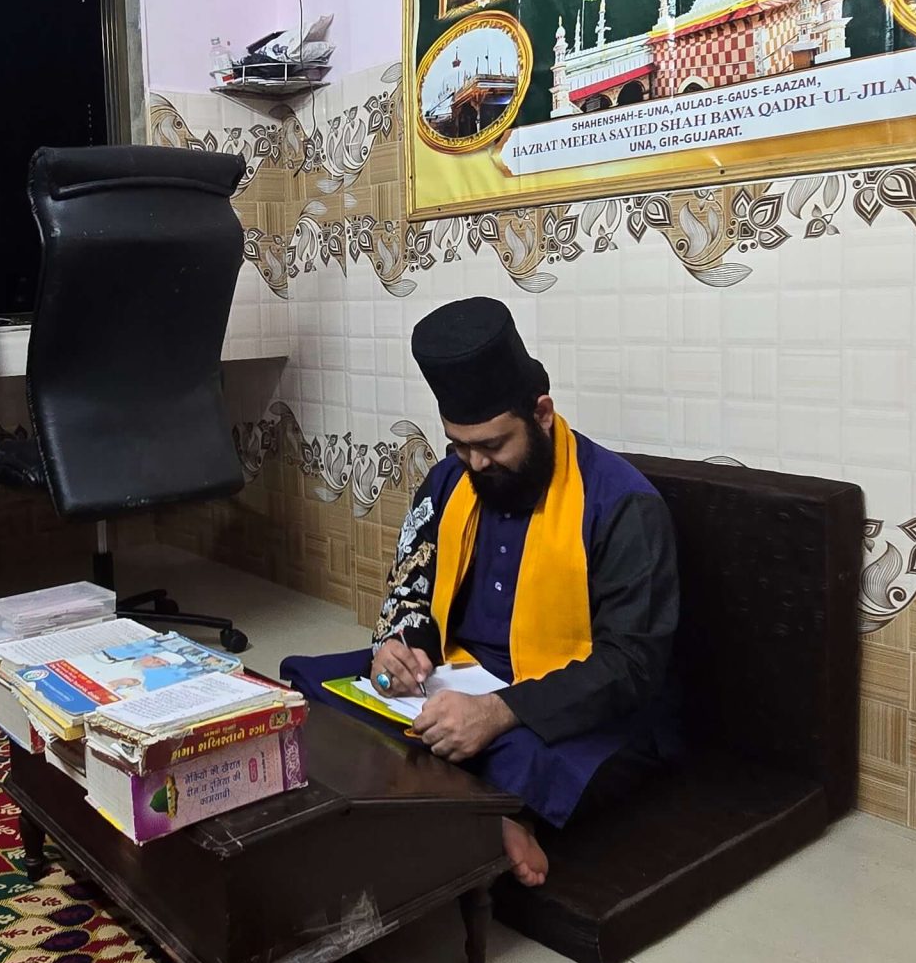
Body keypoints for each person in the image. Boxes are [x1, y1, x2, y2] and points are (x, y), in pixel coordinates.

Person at [281, 297, 679, 890]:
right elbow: (409, 591)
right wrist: (399, 649)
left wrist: (498, 712)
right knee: (313, 686)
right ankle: (480, 806)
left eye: (493, 445)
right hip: (456, 677)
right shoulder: (450, 479)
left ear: (541, 414)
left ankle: (490, 809)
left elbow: (632, 666)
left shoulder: (623, 505)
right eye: (461, 445)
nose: (477, 463)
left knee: (527, 757)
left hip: (567, 701)